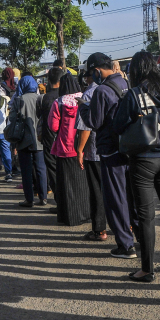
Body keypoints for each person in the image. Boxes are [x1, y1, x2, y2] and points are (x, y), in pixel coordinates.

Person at [113, 51, 160, 283]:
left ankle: (146, 269)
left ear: (136, 71)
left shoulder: (134, 94)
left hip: (144, 160)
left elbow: (117, 125)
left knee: (146, 216)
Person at [79, 52, 138, 259]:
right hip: (128, 147)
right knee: (130, 196)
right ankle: (138, 239)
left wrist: (83, 108)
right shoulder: (125, 83)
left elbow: (94, 122)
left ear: (96, 70)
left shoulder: (102, 91)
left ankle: (125, 244)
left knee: (115, 198)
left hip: (110, 150)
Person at [49, 84, 92, 226]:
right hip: (83, 145)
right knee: (83, 183)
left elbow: (53, 126)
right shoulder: (84, 97)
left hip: (65, 147)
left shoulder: (59, 102)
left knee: (66, 184)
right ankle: (86, 214)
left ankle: (69, 216)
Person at [76, 70, 107, 241]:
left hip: (94, 151)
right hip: (112, 149)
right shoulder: (112, 88)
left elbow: (86, 127)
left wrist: (80, 150)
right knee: (116, 190)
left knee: (96, 192)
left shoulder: (88, 93)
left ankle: (99, 230)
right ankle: (126, 226)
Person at [10, 75, 47, 207]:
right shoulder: (41, 99)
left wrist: (13, 143)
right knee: (41, 169)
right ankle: (43, 197)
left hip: (23, 140)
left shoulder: (19, 100)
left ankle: (29, 199)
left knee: (26, 171)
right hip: (39, 139)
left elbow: (13, 120)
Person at [39, 69, 64, 198]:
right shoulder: (65, 95)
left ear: (48, 81)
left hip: (49, 138)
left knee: (52, 170)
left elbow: (43, 118)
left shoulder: (46, 98)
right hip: (65, 139)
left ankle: (58, 199)